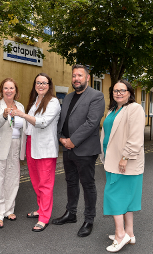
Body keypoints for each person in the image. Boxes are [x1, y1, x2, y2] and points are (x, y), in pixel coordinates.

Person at [53, 64, 105, 237]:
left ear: (87, 77)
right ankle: (71, 214)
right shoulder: (68, 97)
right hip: (67, 148)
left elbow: (92, 123)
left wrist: (72, 141)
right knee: (71, 182)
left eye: (80, 75)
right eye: (74, 75)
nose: (76, 78)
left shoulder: (96, 96)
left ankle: (89, 220)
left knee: (88, 184)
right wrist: (61, 137)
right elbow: (62, 120)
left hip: (85, 150)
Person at [12, 73, 61, 232]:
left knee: (46, 184)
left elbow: (43, 122)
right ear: (35, 85)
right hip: (31, 145)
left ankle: (44, 217)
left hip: (45, 148)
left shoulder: (53, 102)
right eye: (38, 82)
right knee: (36, 182)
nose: (41, 85)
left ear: (49, 85)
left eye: (44, 83)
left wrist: (23, 115)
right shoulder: (34, 102)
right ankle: (41, 209)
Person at [100, 80, 145, 252]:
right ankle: (130, 233)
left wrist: (125, 157)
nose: (118, 93)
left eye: (122, 90)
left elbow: (135, 137)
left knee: (113, 196)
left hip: (124, 162)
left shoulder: (134, 108)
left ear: (129, 92)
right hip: (111, 160)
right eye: (115, 90)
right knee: (126, 197)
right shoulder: (113, 110)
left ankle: (120, 235)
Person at [0, 78, 26, 229]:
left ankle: (8, 209)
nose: (8, 91)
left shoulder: (20, 106)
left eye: (11, 88)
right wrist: (3, 116)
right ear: (1, 90)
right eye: (5, 88)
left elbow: (23, 127)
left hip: (15, 146)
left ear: (16, 90)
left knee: (12, 179)